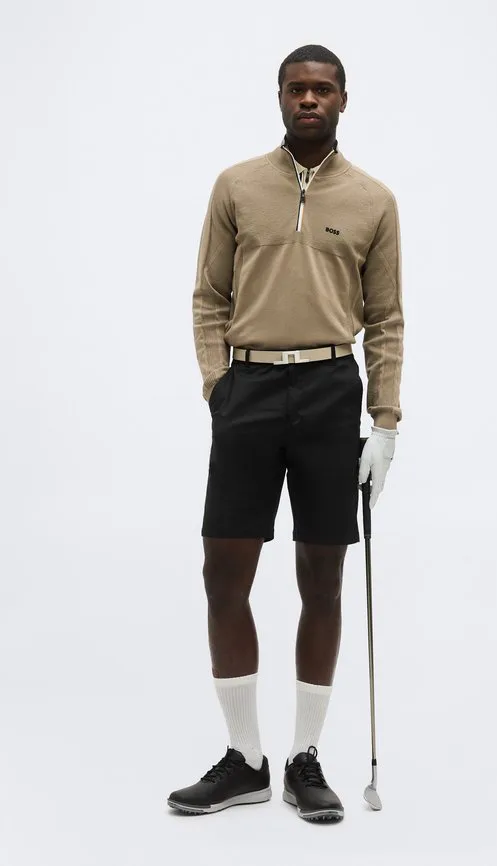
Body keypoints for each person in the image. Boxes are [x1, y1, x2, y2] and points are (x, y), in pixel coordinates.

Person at [167, 44, 404, 823]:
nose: (309, 99)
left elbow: (386, 319)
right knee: (223, 574)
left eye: (322, 89)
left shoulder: (373, 200)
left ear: (343, 100)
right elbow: (208, 295)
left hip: (332, 392)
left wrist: (385, 424)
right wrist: (218, 385)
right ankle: (245, 760)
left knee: (322, 579)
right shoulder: (236, 185)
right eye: (296, 88)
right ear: (279, 97)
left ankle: (305, 759)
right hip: (250, 389)